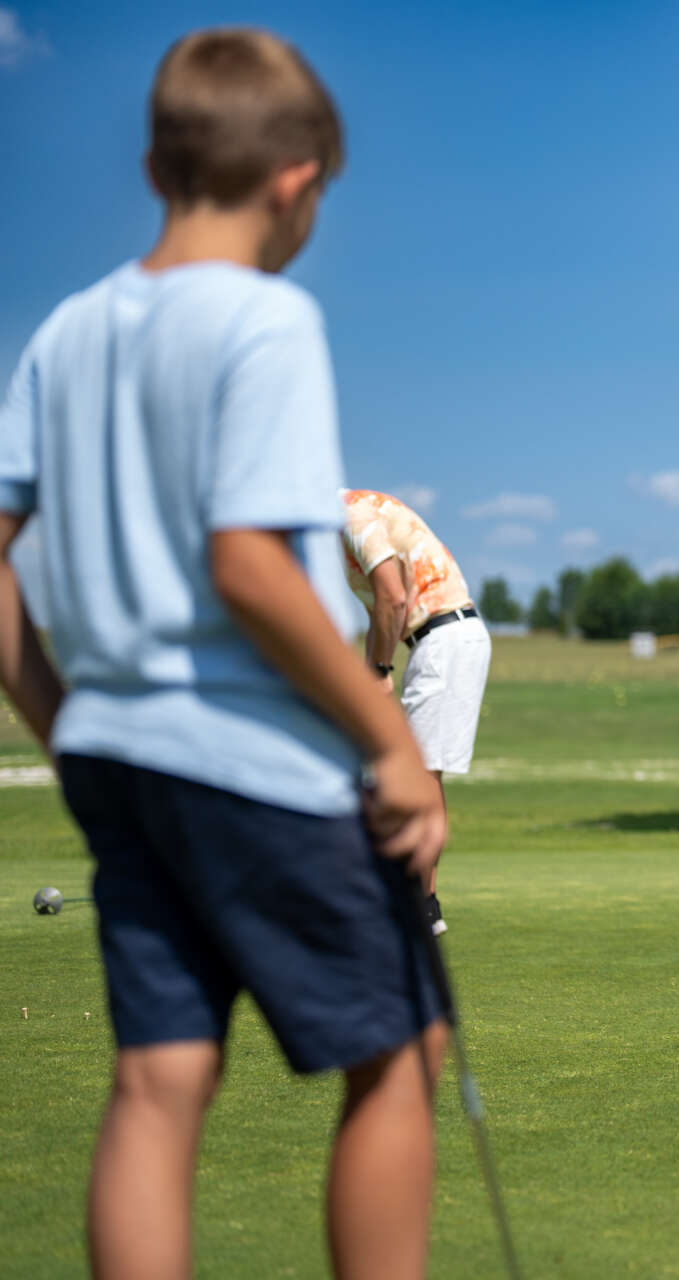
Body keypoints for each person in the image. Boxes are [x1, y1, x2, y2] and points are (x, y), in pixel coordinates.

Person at [0, 29, 449, 1278]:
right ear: (299, 181)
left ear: (155, 168)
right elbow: (248, 565)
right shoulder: (267, 318)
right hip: (254, 760)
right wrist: (390, 741)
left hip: (115, 762)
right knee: (399, 1050)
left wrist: (64, 721)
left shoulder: (66, 330)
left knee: (160, 1077)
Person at [341, 488, 493, 935]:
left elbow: (393, 599)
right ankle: (416, 903)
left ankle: (420, 906)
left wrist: (379, 669)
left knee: (420, 773)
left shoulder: (349, 513)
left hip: (443, 639)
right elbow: (382, 610)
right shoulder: (345, 527)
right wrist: (372, 674)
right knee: (413, 771)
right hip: (438, 641)